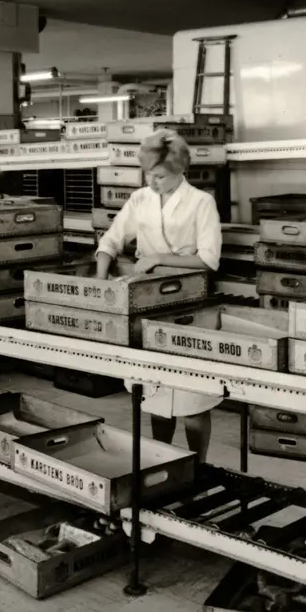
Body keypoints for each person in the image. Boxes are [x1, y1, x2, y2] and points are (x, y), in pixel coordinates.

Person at [95, 128, 222, 463]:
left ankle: (198, 467)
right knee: (154, 392)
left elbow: (208, 260)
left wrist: (158, 259)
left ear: (180, 171)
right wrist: (100, 280)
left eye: (161, 177)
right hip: (146, 302)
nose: (153, 183)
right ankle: (164, 464)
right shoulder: (140, 199)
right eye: (149, 175)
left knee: (191, 397)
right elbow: (111, 240)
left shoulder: (201, 202)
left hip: (187, 303)